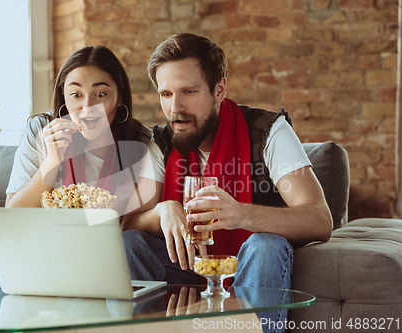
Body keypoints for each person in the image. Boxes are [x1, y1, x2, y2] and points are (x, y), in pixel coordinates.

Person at [121, 33, 333, 332]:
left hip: (250, 270)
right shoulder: (162, 143)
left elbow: (320, 219)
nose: (175, 108)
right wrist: (162, 210)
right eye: (166, 94)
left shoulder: (269, 131)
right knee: (131, 242)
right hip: (185, 268)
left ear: (219, 89)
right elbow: (129, 224)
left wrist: (241, 214)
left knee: (266, 245)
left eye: (189, 92)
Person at [5, 45, 150, 215]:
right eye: (76, 94)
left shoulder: (143, 141)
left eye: (100, 94)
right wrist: (52, 159)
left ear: (119, 97)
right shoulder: (39, 129)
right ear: (64, 96)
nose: (87, 107)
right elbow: (13, 214)